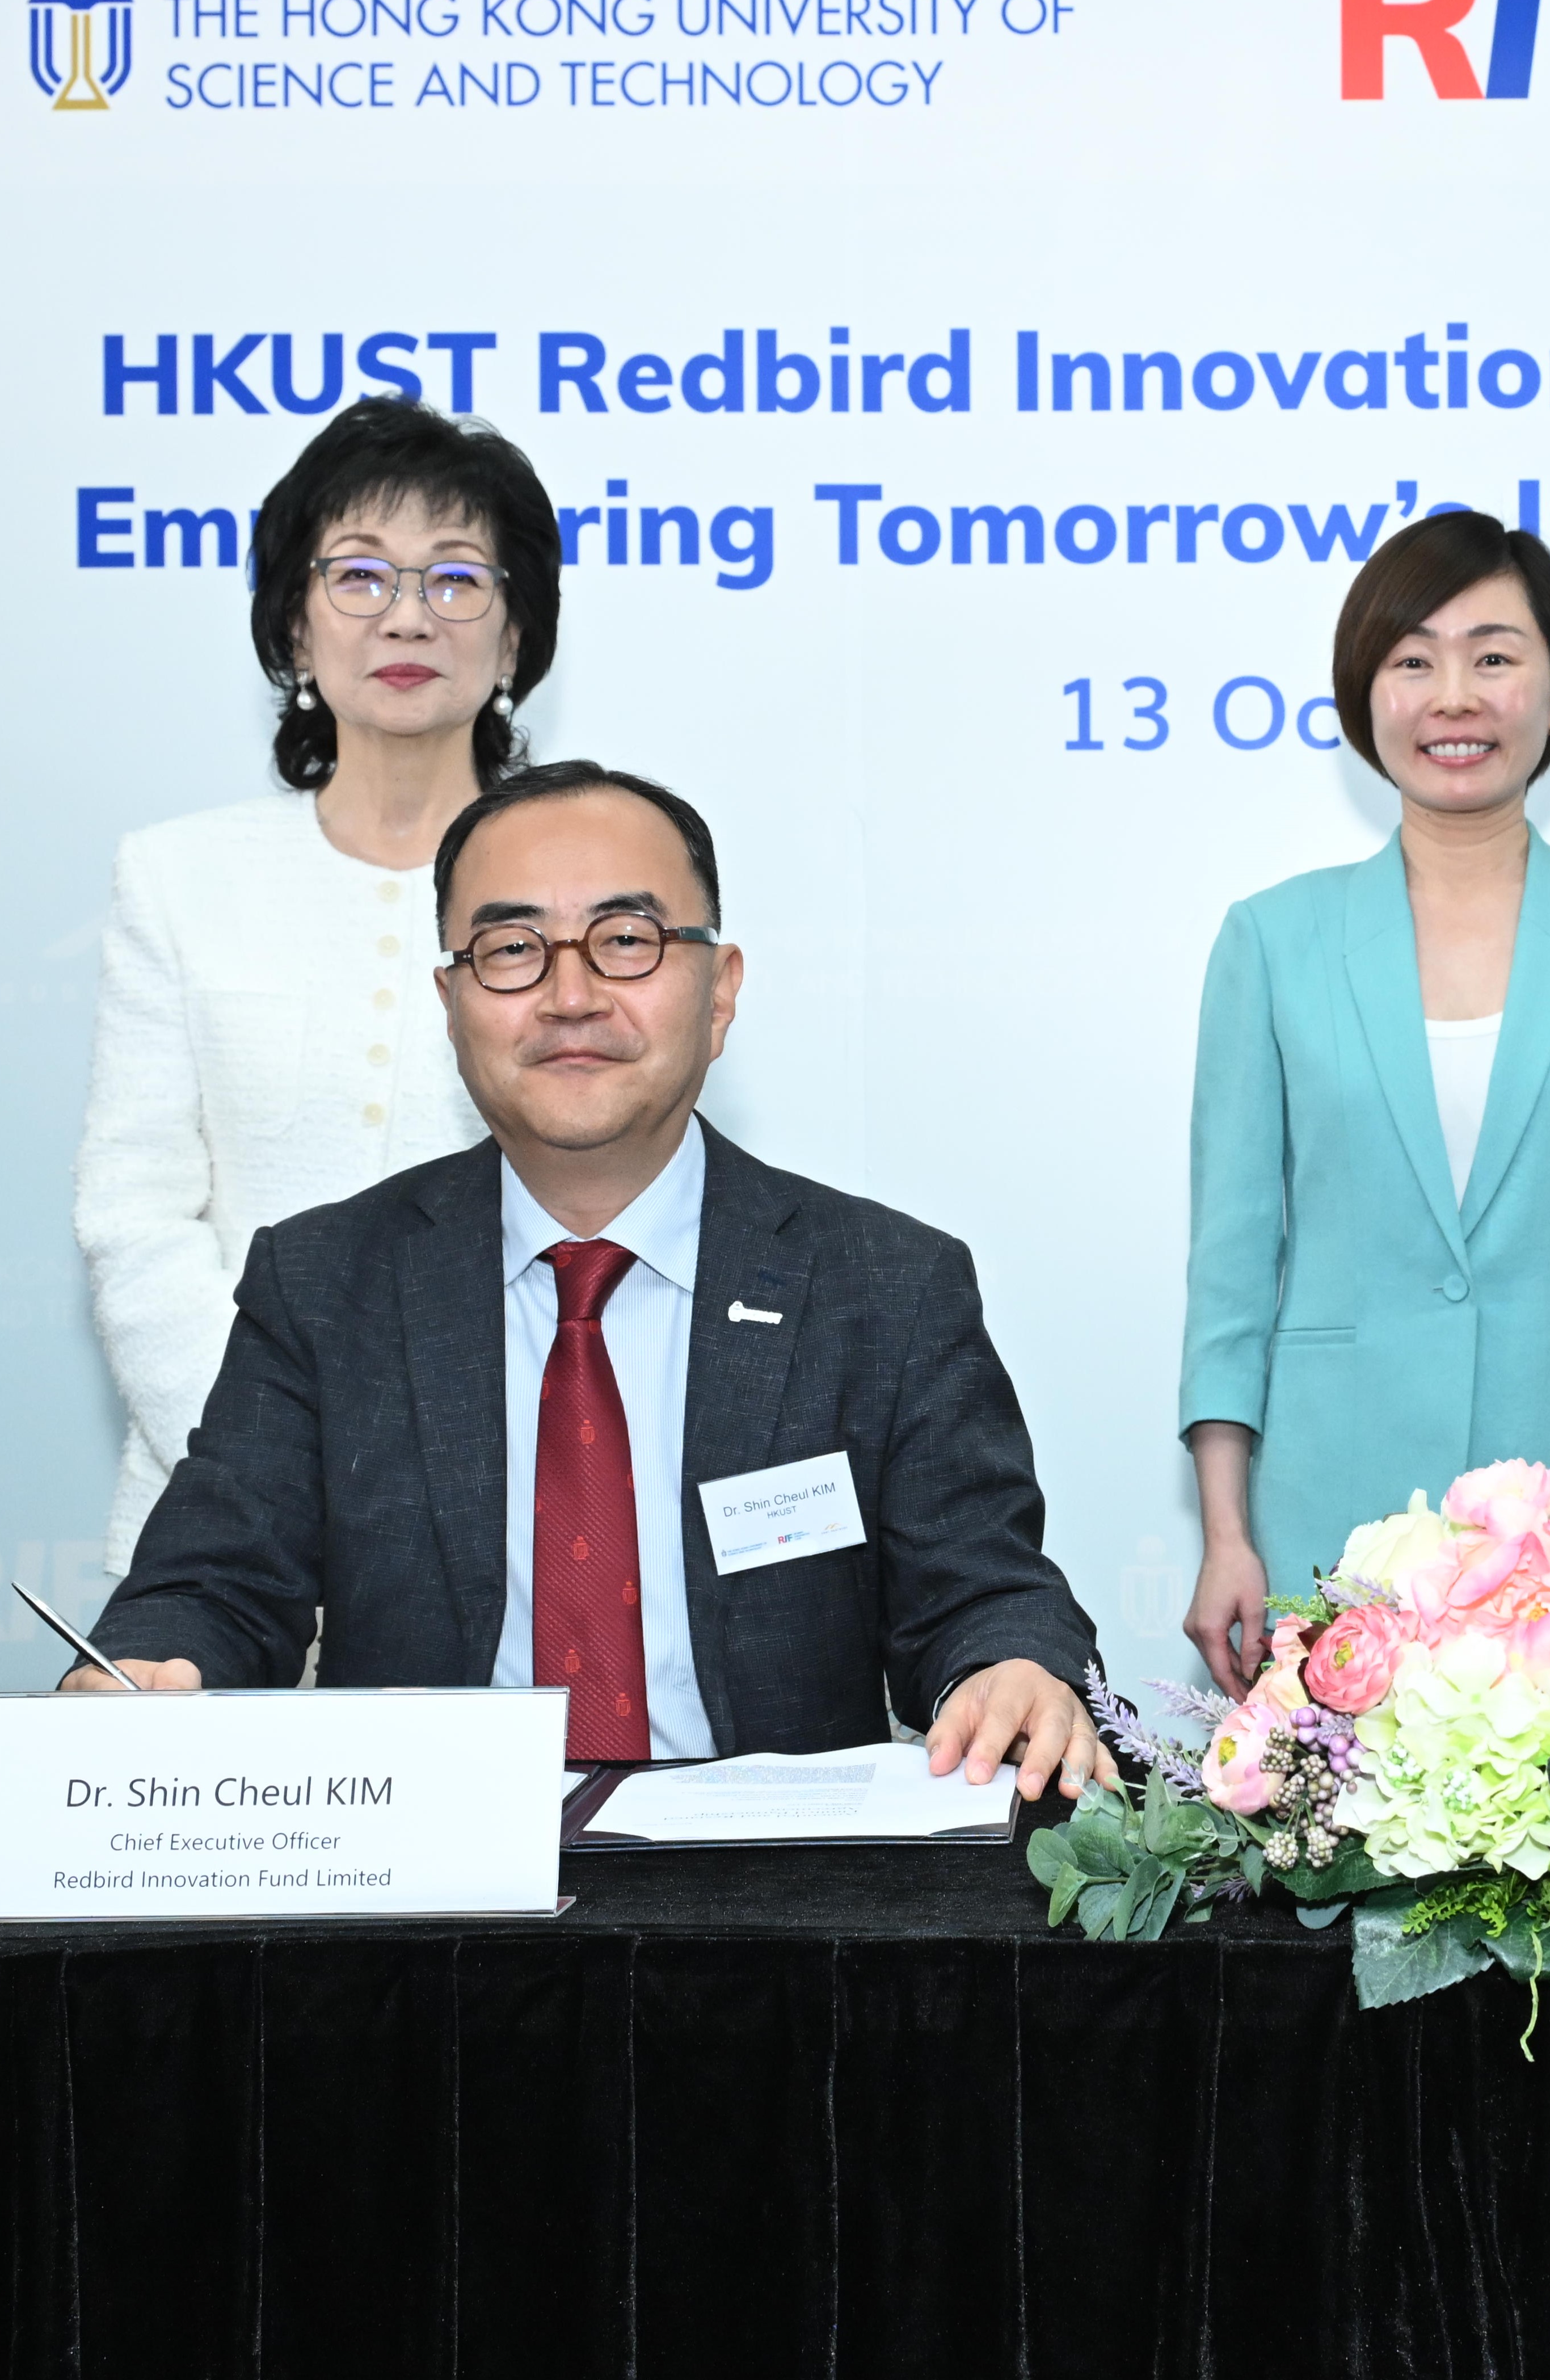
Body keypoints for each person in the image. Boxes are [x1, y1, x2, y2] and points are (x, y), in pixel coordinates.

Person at [80, 760, 1110, 1788]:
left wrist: (1013, 1667)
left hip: (772, 1905)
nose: (570, 997)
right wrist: (150, 1669)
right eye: (512, 949)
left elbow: (979, 1590)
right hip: (428, 1895)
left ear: (720, 991)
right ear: (450, 1003)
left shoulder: (884, 1285)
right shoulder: (325, 1282)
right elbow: (214, 1584)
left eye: (627, 942)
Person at [1176, 511, 1550, 1690]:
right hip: (1332, 1507)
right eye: (1412, 660)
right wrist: (1227, 1533)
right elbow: (1230, 1271)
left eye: (1494, 656)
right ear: (1364, 695)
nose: (1455, 696)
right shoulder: (1270, 944)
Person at [75, 397, 555, 1574]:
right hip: (221, 1519)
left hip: (514, 1512)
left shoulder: (577, 887)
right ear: (293, 624)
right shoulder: (179, 875)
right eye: (359, 576)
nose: (407, 615)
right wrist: (265, 1458)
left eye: (455, 580)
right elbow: (135, 1213)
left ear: (513, 642)